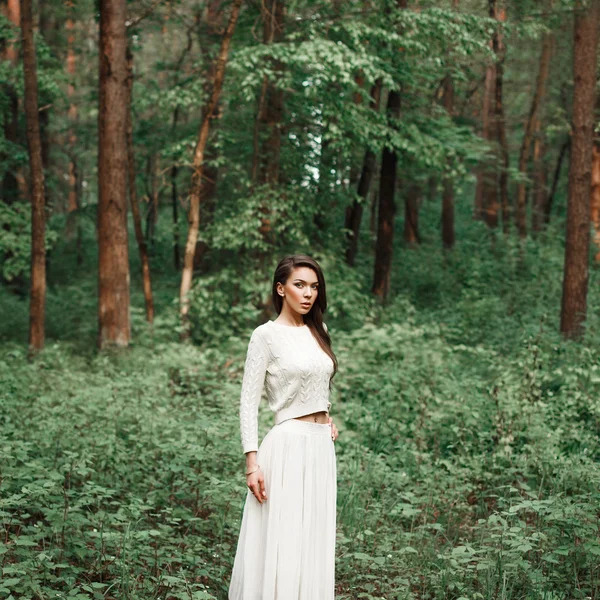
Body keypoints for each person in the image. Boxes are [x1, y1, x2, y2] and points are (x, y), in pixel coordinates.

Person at [228, 254, 340, 600]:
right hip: (287, 446)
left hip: (320, 448)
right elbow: (248, 401)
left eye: (314, 287)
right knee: (286, 537)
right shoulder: (265, 336)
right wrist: (252, 462)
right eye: (299, 285)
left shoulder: (318, 331)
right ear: (281, 289)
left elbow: (317, 384)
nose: (308, 294)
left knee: (313, 537)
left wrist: (326, 415)